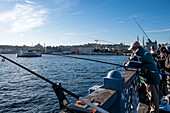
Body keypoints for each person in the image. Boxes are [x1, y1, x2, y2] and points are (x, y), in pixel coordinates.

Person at [124, 41, 160, 113]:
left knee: (153, 98)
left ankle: (154, 111)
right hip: (152, 77)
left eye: (132, 49)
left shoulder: (139, 53)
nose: (131, 50)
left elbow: (130, 64)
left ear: (135, 48)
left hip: (151, 78)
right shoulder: (144, 52)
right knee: (153, 96)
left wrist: (125, 64)